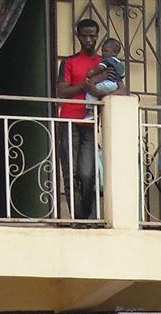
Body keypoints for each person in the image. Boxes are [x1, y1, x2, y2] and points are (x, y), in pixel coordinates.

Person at [55, 17, 108, 220]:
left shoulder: (103, 63)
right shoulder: (69, 62)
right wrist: (84, 86)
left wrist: (94, 87)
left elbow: (116, 88)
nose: (88, 39)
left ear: (97, 37)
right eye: (84, 35)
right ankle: (78, 219)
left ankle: (88, 215)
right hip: (68, 120)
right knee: (71, 172)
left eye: (92, 36)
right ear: (78, 36)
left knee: (87, 174)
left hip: (89, 122)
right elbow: (62, 91)